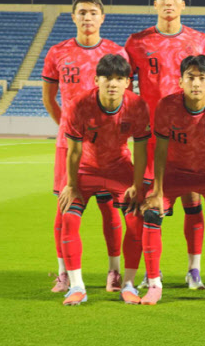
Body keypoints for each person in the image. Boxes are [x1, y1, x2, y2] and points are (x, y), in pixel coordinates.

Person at [125, 0, 205, 290]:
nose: (169, 2)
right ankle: (153, 271)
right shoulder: (137, 42)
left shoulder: (199, 41)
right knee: (151, 203)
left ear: (183, 4)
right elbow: (126, 89)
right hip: (152, 137)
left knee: (192, 200)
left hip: (190, 137)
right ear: (155, 3)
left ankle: (194, 270)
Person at [139, 55, 205, 305]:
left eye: (202, 78)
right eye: (190, 78)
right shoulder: (166, 106)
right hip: (175, 173)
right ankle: (154, 284)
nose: (196, 83)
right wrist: (157, 190)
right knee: (151, 213)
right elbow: (160, 150)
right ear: (180, 81)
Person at [42, 0, 129, 294]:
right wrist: (70, 132)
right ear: (73, 17)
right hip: (70, 146)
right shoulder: (58, 52)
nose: (87, 17)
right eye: (81, 12)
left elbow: (127, 98)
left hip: (109, 148)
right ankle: (64, 274)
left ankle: (114, 272)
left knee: (110, 210)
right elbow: (48, 99)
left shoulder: (116, 52)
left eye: (93, 12)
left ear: (102, 17)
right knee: (64, 208)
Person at [58, 54, 150, 305]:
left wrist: (138, 184)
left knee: (136, 219)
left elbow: (141, 149)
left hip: (120, 168)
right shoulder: (79, 105)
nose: (112, 83)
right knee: (68, 217)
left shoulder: (137, 106)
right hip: (86, 169)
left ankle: (128, 284)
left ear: (128, 82)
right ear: (96, 79)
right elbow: (73, 151)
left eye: (119, 78)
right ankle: (76, 286)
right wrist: (71, 185)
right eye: (107, 78)